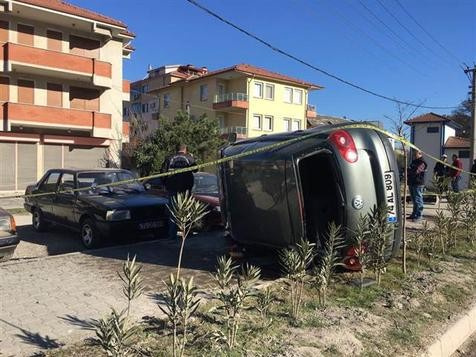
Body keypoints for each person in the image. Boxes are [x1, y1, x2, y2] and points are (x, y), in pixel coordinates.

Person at [161, 144, 197, 238]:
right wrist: (192, 158)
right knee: (185, 210)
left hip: (172, 188)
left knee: (173, 212)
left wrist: (164, 184)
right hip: (185, 189)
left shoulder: (169, 158)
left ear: (176, 149)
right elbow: (196, 169)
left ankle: (172, 235)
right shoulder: (188, 158)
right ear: (185, 149)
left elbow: (163, 173)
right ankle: (184, 234)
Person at [407, 150, 427, 222]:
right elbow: (409, 170)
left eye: (415, 154)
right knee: (414, 200)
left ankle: (419, 215)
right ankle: (414, 214)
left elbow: (416, 171)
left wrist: (409, 171)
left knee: (418, 200)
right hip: (412, 182)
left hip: (418, 183)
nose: (414, 156)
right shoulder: (414, 161)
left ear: (420, 154)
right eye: (413, 154)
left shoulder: (422, 162)